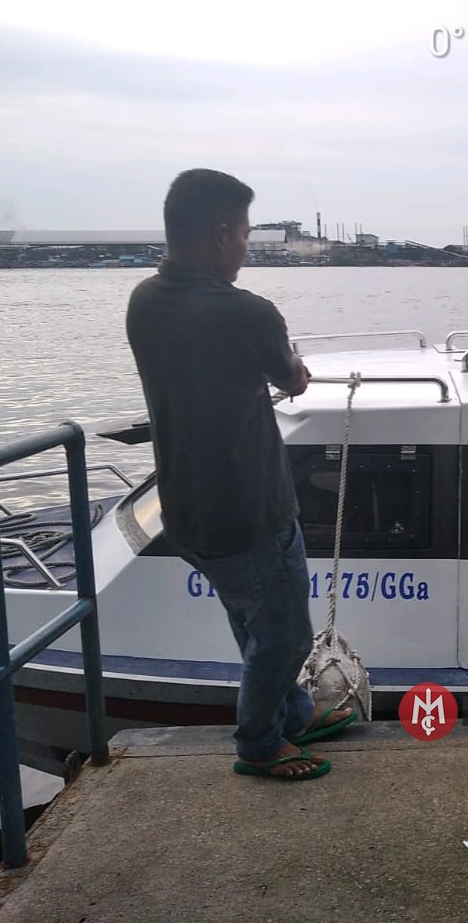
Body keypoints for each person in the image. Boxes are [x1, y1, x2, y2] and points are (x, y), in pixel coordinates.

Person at [125, 168, 356, 781]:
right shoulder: (248, 312)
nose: (248, 247)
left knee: (249, 620)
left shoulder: (143, 301)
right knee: (283, 638)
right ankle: (258, 743)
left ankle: (294, 715)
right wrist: (291, 363)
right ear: (222, 235)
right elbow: (294, 378)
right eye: (247, 234)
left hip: (187, 510)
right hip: (251, 508)